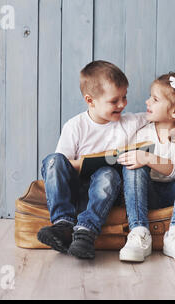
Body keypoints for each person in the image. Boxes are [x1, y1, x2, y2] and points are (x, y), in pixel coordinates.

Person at [37, 60, 148, 259]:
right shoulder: (75, 126)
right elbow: (62, 165)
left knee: (107, 173)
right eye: (115, 101)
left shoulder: (130, 121)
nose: (122, 104)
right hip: (75, 192)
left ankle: (86, 231)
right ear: (90, 100)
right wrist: (85, 163)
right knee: (53, 160)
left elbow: (160, 117)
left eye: (125, 97)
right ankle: (63, 224)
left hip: (104, 194)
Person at [117, 71, 175, 262]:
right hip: (146, 193)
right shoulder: (142, 132)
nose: (147, 102)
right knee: (133, 165)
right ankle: (139, 233)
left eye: (154, 99)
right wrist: (140, 159)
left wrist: (148, 157)